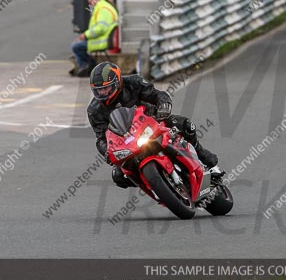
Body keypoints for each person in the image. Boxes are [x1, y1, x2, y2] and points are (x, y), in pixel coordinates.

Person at [87, 62, 219, 189]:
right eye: (98, 90)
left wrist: (163, 106)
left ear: (117, 82)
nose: (102, 93)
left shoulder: (134, 82)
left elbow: (157, 95)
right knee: (119, 176)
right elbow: (101, 138)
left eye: (106, 88)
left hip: (154, 122)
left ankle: (205, 159)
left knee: (186, 125)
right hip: (126, 142)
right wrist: (107, 153)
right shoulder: (94, 110)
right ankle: (154, 186)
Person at [71, 0, 118, 78]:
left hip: (101, 41)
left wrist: (85, 35)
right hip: (101, 39)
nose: (89, 1)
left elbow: (100, 28)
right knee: (77, 45)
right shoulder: (103, 7)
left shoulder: (103, 9)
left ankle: (86, 66)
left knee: (76, 46)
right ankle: (90, 66)